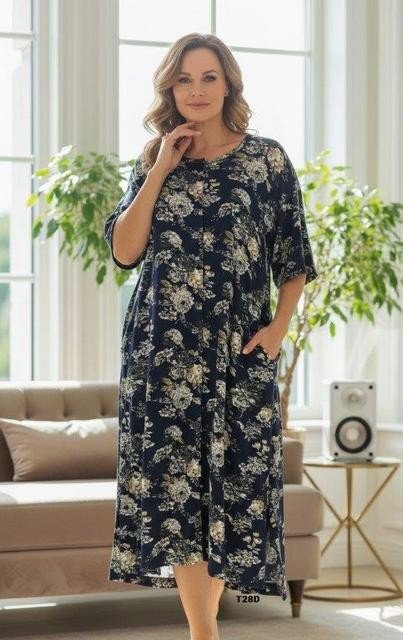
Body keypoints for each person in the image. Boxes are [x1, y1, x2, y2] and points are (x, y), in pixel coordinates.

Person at [104, 32, 318, 640]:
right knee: (176, 494)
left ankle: (205, 630)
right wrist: (160, 170)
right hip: (162, 354)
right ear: (170, 90)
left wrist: (278, 329)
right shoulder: (154, 160)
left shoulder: (266, 160)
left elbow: (294, 256)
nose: (196, 91)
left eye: (208, 78)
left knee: (235, 490)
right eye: (184, 80)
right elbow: (125, 251)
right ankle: (205, 632)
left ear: (228, 86)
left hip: (238, 353)